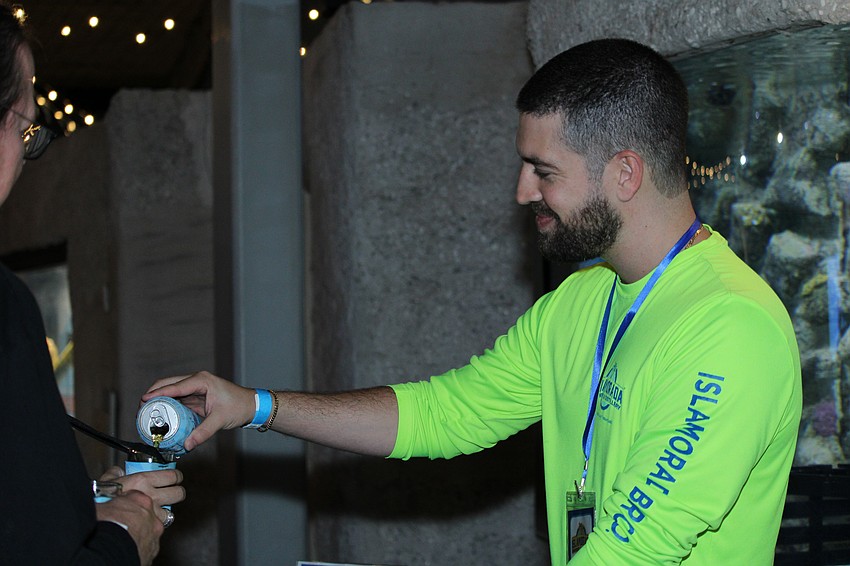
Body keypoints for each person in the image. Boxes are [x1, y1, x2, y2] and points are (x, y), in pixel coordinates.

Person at [145, 38, 802, 565]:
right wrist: (257, 406)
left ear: (624, 173)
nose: (521, 193)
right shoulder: (578, 301)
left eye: (543, 171)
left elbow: (631, 551)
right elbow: (446, 413)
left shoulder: (730, 327)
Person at [0, 4, 184, 565]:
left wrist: (83, 506)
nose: (25, 158)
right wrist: (122, 538)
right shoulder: (6, 306)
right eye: (25, 123)